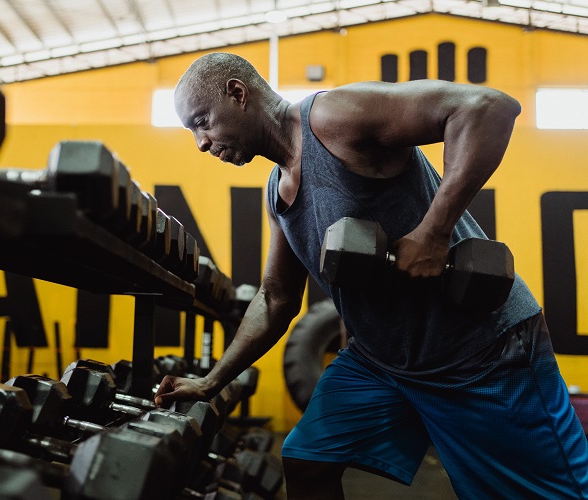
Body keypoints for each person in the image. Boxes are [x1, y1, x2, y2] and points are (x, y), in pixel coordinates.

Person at [153, 52, 588, 499]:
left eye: (201, 122)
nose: (201, 143)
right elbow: (276, 297)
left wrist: (434, 232)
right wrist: (210, 382)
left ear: (237, 94)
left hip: (482, 352)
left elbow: (488, 107)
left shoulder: (334, 118)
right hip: (383, 363)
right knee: (307, 460)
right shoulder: (277, 190)